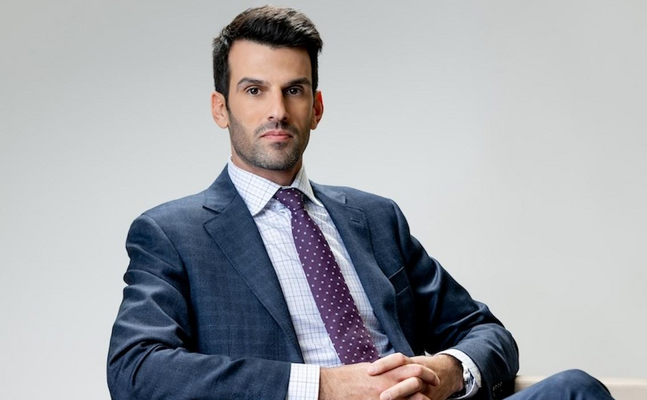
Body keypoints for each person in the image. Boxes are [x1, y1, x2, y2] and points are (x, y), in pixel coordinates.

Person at [107, 6, 614, 400]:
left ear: (316, 107)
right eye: (255, 90)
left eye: (294, 90)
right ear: (221, 108)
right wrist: (324, 387)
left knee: (576, 389)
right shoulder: (174, 234)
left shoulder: (374, 218)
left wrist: (446, 371)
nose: (277, 110)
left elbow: (484, 332)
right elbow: (136, 368)